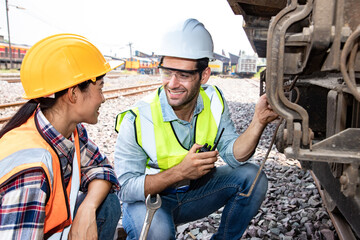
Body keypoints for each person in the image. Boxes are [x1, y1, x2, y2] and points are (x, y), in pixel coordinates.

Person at [114, 18, 278, 239]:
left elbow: (234, 157)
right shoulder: (137, 118)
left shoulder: (214, 100)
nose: (172, 83)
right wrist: (180, 172)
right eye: (167, 72)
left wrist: (258, 121)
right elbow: (125, 189)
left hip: (194, 195)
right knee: (159, 232)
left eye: (183, 75)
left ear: (204, 75)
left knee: (253, 177)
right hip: (149, 201)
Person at [0, 34, 122, 240]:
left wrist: (87, 209)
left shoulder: (68, 129)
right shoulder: (31, 171)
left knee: (106, 205)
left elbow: (103, 168)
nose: (103, 98)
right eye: (100, 88)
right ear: (73, 93)